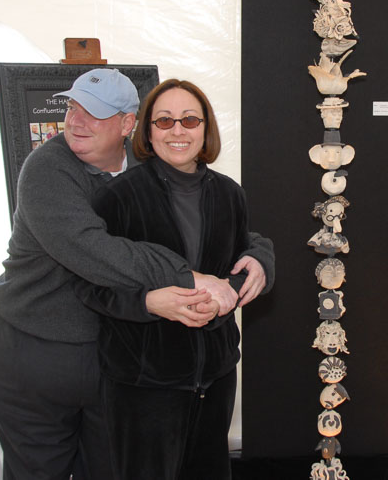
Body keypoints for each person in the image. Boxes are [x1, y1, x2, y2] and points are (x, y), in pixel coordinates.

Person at [0, 68, 273, 480]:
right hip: (36, 353)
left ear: (127, 125)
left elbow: (217, 225)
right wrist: (188, 277)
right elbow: (96, 251)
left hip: (109, 353)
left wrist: (259, 254)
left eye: (94, 113)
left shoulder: (148, 161)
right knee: (38, 470)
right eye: (72, 107)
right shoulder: (47, 169)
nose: (77, 121)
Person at [73, 78, 274, 480]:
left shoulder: (230, 195)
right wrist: (149, 302)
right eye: (164, 121)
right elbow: (88, 285)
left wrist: (246, 275)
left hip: (215, 377)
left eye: (189, 120)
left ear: (205, 128)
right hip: (143, 384)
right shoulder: (117, 197)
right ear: (147, 131)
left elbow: (238, 262)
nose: (178, 131)